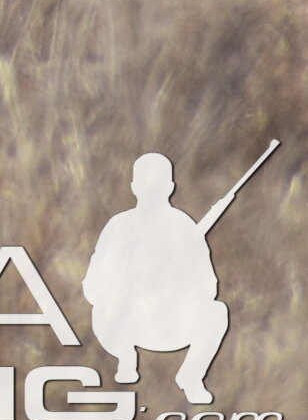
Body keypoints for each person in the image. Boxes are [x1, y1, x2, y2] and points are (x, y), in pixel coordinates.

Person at [88, 151, 234, 405]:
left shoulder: (184, 228)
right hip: (127, 323)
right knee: (106, 307)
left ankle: (191, 376)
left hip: (171, 324)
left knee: (217, 312)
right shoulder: (119, 227)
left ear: (169, 188)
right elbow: (93, 286)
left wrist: (176, 281)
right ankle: (126, 358)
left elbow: (208, 288)